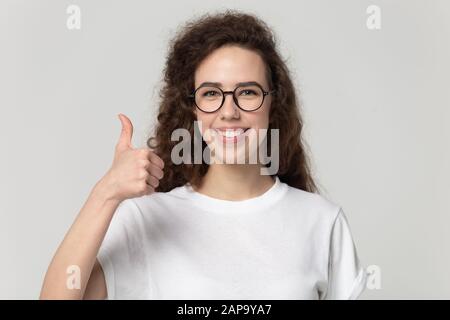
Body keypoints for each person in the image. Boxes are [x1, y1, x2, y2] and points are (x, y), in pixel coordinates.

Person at [40, 10, 366, 300]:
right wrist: (106, 192)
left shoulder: (322, 222)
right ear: (193, 108)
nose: (229, 111)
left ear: (272, 104)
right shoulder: (145, 220)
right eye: (211, 93)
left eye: (248, 92)